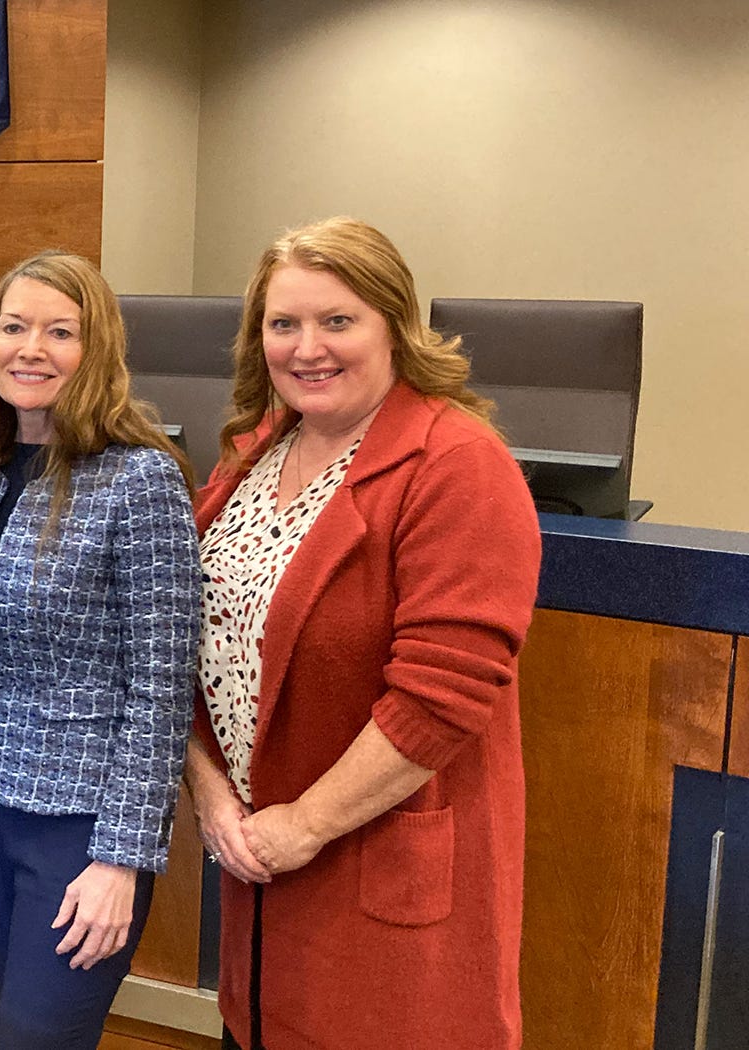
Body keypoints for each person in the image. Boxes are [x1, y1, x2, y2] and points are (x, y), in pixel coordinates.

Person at [185, 217, 540, 1049]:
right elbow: (189, 642)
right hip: (258, 875)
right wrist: (207, 789)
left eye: (337, 320)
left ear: (394, 325)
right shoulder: (255, 451)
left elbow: (442, 697)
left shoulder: (457, 463)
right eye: (283, 323)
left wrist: (304, 824)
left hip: (374, 868)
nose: (307, 347)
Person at [0, 251, 199, 1048]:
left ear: (96, 351)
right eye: (15, 327)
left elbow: (162, 687)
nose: (31, 349)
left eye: (60, 332)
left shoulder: (140, 480)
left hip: (78, 829)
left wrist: (123, 859)